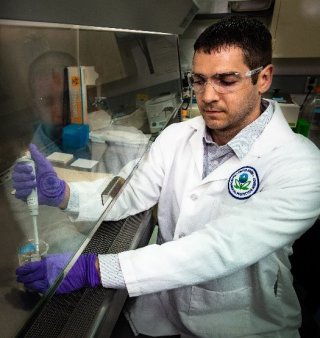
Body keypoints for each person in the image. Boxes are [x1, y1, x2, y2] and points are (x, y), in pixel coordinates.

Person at [12, 16, 320, 338]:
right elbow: (131, 192)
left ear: (264, 78)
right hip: (161, 312)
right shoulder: (177, 136)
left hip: (242, 323)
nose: (209, 96)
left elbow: (218, 247)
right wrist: (64, 194)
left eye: (226, 80)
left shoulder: (301, 165)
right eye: (199, 80)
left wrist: (95, 267)